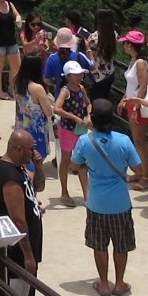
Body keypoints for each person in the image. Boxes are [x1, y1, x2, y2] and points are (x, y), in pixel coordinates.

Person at [72, 98, 141, 296]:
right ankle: (119, 283)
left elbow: (75, 165)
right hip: (120, 203)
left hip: (96, 203)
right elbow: (138, 169)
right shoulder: (124, 140)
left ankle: (103, 283)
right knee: (121, 245)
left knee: (99, 244)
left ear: (92, 118)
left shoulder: (85, 141)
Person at [0, 129, 46, 296]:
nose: (34, 152)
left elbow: (38, 186)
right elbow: (18, 220)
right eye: (31, 149)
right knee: (19, 295)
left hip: (23, 245)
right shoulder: (9, 177)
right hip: (16, 249)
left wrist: (38, 166)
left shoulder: (17, 168)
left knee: (24, 294)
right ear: (18, 149)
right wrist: (28, 255)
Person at [13, 56, 56, 190]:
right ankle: (31, 194)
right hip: (36, 132)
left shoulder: (17, 84)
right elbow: (48, 112)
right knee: (35, 165)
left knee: (24, 164)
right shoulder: (37, 88)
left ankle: (27, 193)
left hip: (21, 128)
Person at [53, 61, 92, 207]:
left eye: (80, 74)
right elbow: (57, 108)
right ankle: (64, 192)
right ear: (68, 76)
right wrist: (75, 117)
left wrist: (88, 116)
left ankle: (87, 194)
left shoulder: (81, 88)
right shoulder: (65, 91)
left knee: (82, 160)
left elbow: (88, 103)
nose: (80, 76)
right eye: (76, 74)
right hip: (68, 129)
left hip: (80, 129)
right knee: (66, 160)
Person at [118, 31, 148, 188]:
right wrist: (123, 100)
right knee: (136, 141)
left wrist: (136, 108)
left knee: (140, 142)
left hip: (137, 106)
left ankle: (145, 177)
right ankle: (140, 172)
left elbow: (143, 87)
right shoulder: (134, 61)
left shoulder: (140, 63)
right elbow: (132, 86)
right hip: (131, 103)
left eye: (125, 43)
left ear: (130, 45)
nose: (124, 46)